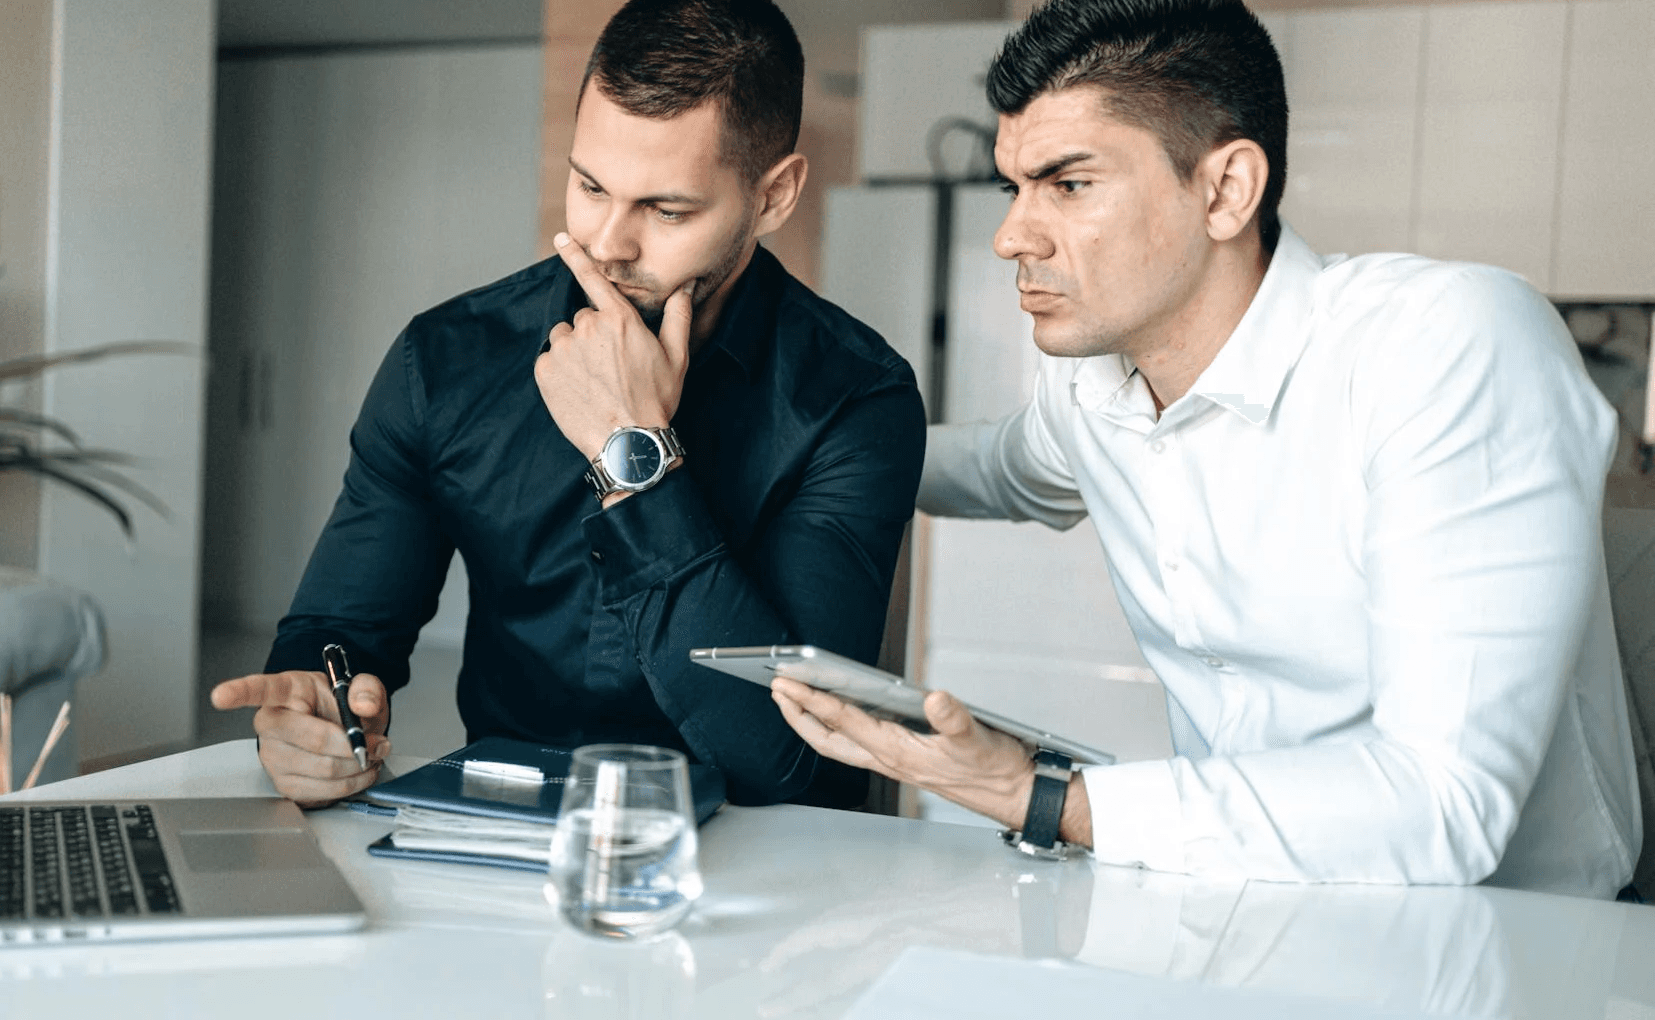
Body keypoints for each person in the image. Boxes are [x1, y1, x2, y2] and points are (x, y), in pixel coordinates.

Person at [772, 0, 1640, 898]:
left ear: (1226, 190)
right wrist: (745, 452)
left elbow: (1441, 803)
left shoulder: (1442, 345)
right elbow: (984, 467)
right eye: (1014, 187)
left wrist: (1031, 794)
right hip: (1243, 903)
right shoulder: (1091, 386)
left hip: (1518, 947)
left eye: (1068, 185)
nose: (1010, 238)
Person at [211, 0, 926, 811]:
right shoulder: (444, 362)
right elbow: (340, 631)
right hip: (501, 831)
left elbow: (786, 753)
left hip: (776, 860)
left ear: (773, 196)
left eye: (666, 209)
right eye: (589, 185)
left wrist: (633, 450)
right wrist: (313, 711)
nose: (606, 241)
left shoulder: (854, 398)